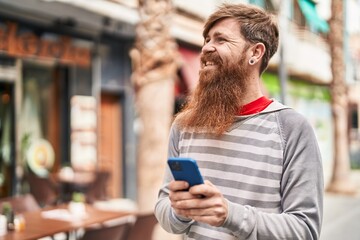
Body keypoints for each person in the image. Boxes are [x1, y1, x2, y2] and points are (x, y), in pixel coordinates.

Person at [154, 3, 323, 240]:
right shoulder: (184, 124)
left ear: (255, 52)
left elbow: (304, 229)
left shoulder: (292, 128)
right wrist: (181, 212)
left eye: (221, 40)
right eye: (207, 40)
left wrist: (230, 215)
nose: (206, 48)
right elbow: (164, 208)